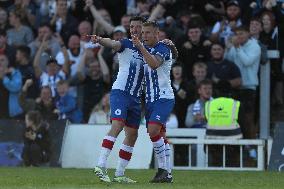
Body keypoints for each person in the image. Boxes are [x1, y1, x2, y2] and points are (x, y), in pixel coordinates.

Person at [90, 16, 146, 183]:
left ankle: (120, 173)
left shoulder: (148, 50)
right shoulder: (126, 44)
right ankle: (100, 165)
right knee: (117, 124)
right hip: (120, 92)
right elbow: (114, 44)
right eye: (132, 27)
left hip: (135, 97)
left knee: (133, 134)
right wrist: (100, 40)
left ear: (144, 30)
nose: (134, 30)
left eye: (138, 27)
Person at [132, 21, 174, 183]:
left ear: (157, 34)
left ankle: (163, 169)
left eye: (148, 33)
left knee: (153, 130)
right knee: (159, 134)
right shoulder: (145, 48)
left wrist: (141, 48)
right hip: (149, 99)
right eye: (143, 33)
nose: (145, 36)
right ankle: (166, 173)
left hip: (163, 96)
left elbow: (154, 64)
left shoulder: (162, 48)